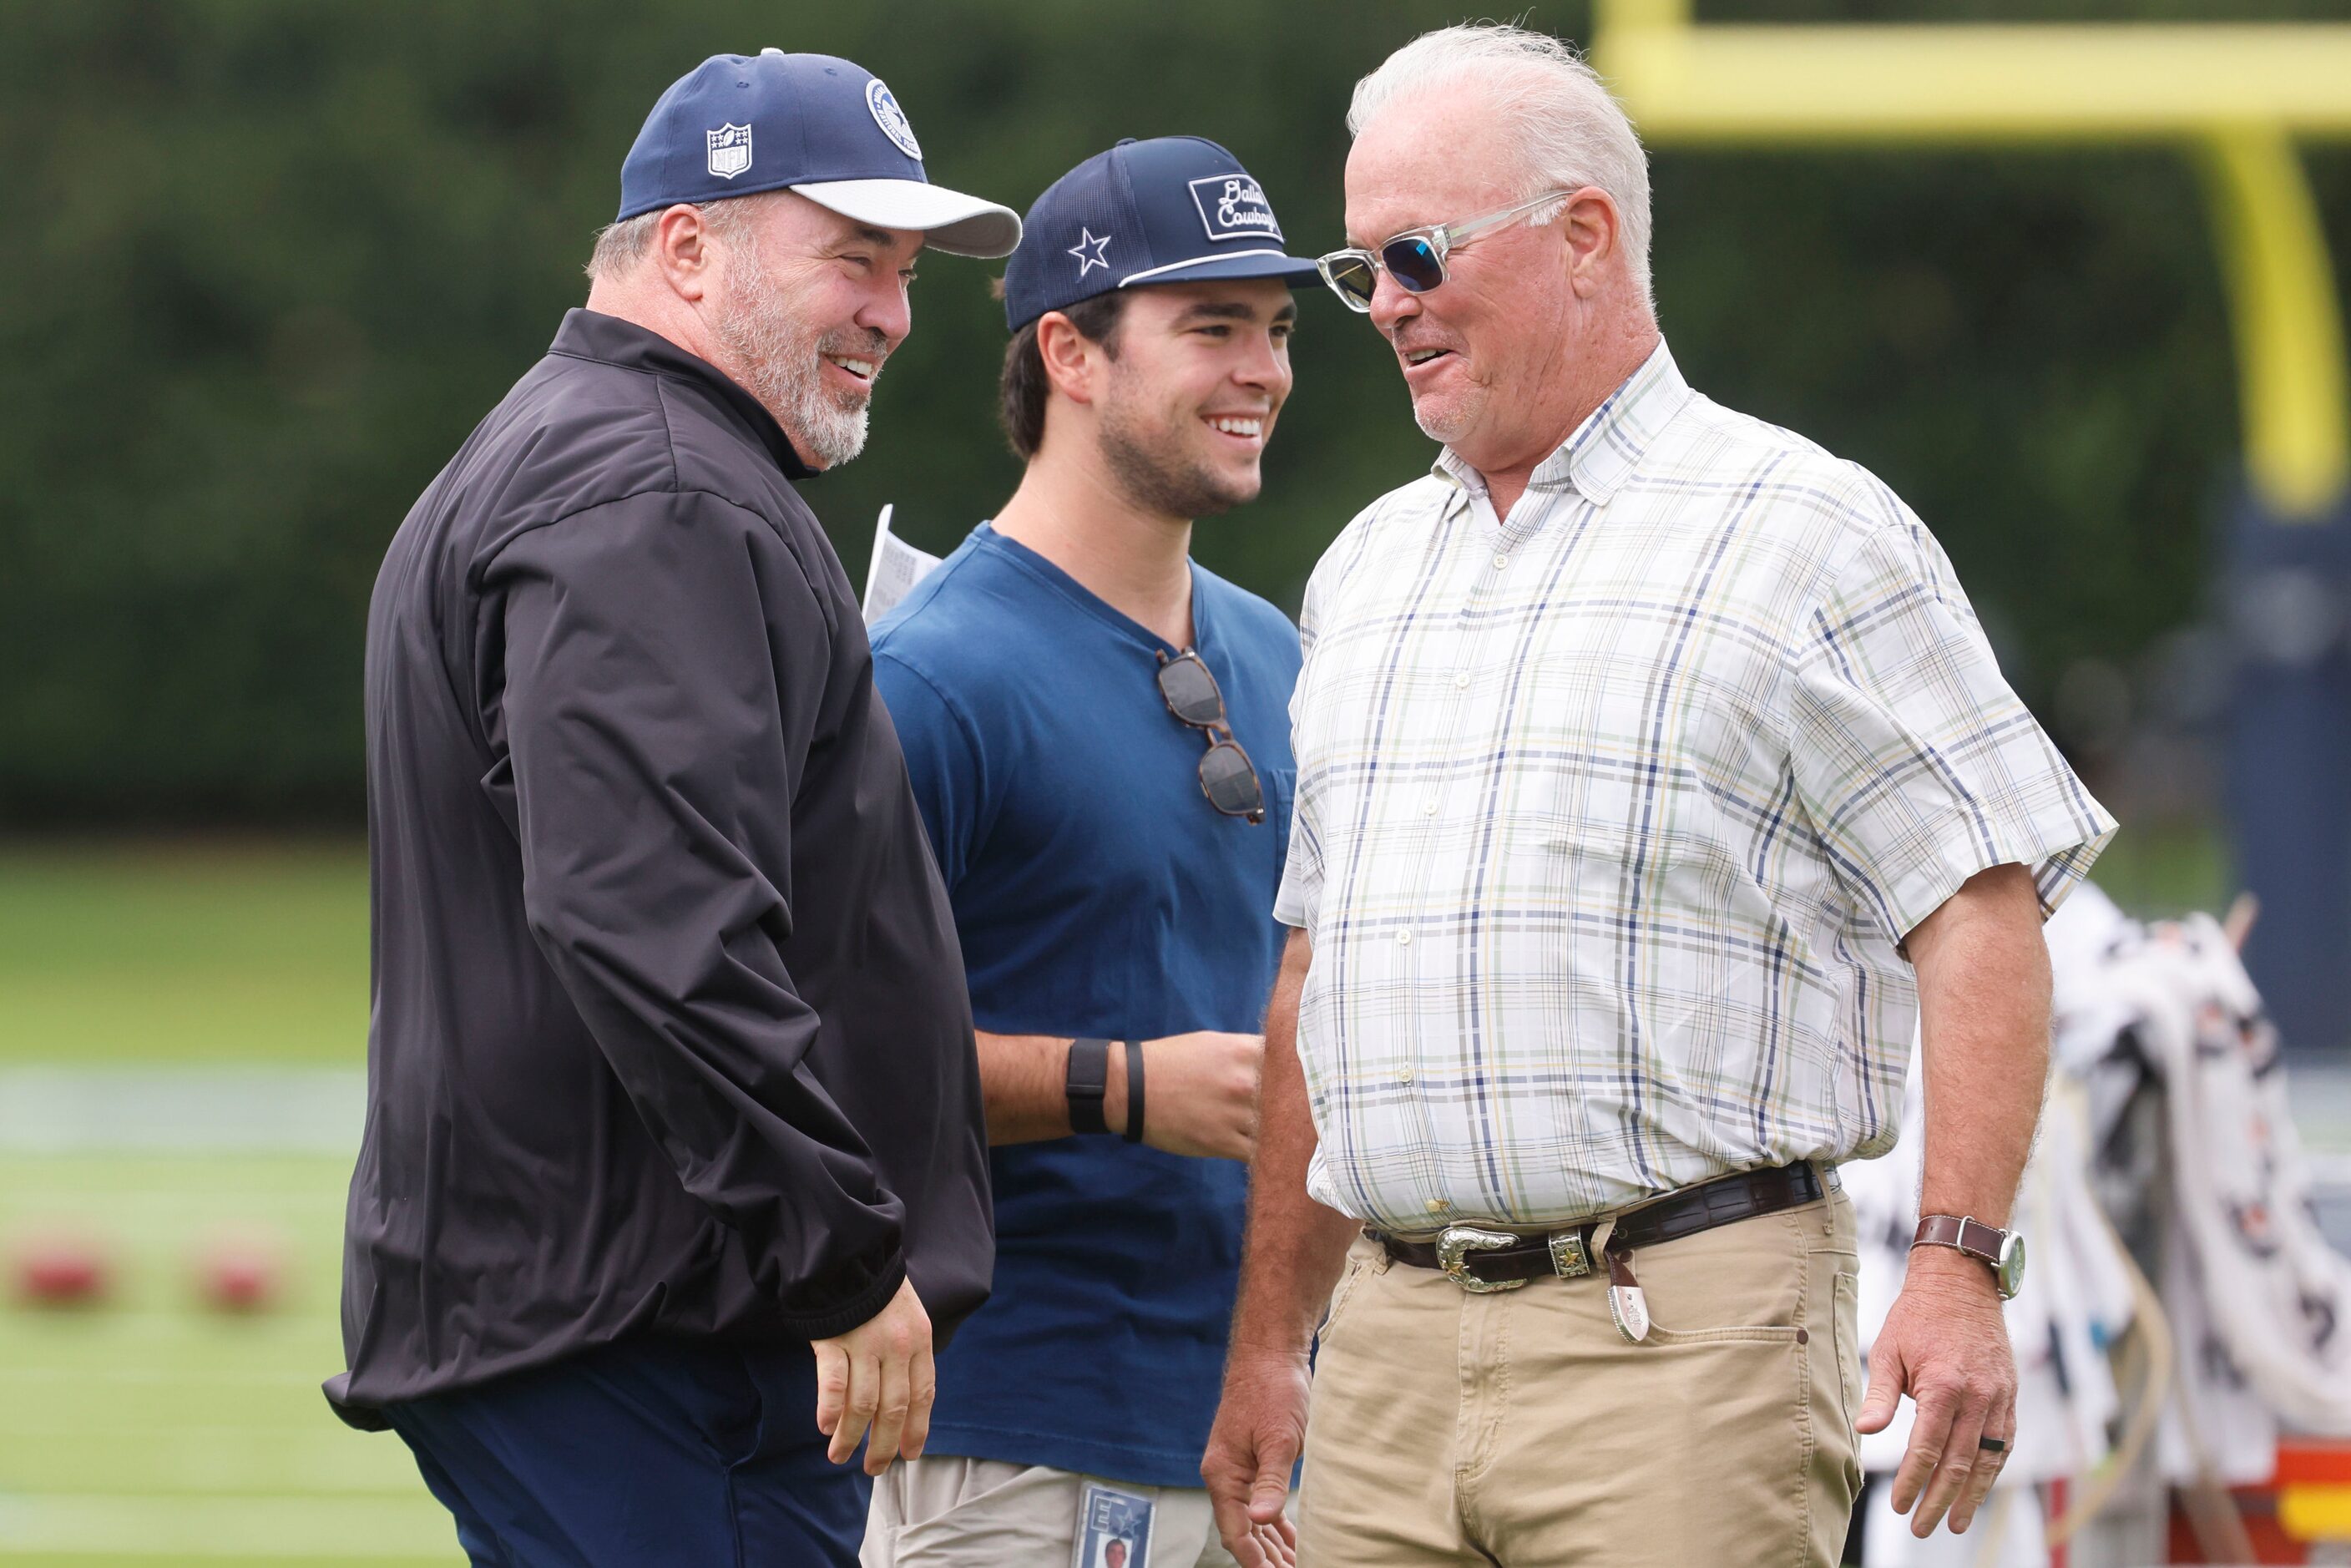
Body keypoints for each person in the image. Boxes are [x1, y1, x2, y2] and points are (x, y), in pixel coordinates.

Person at [1201, 24, 2117, 1568]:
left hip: (1682, 1349)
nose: (1389, 306)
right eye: (1364, 271)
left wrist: (1958, 1269)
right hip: (1388, 1364)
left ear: (1585, 236)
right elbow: (1316, 974)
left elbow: (1981, 909)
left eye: (1417, 252)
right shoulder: (1361, 571)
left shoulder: (1805, 530)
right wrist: (1266, 1345)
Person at [328, 48, 1022, 1566]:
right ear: (689, 248)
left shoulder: (611, 453)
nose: (893, 314)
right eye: (853, 256)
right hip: (644, 1341)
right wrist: (838, 1251)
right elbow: (654, 919)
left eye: (907, 273)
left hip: (620, 1318)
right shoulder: (653, 485)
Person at [859, 137, 1318, 1568]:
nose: (1265, 369)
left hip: (1268, 1434)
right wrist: (1121, 1087)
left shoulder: (1281, 653)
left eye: (1279, 330)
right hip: (1016, 1439)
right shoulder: (930, 679)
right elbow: (824, 1066)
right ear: (1069, 349)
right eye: (1215, 327)